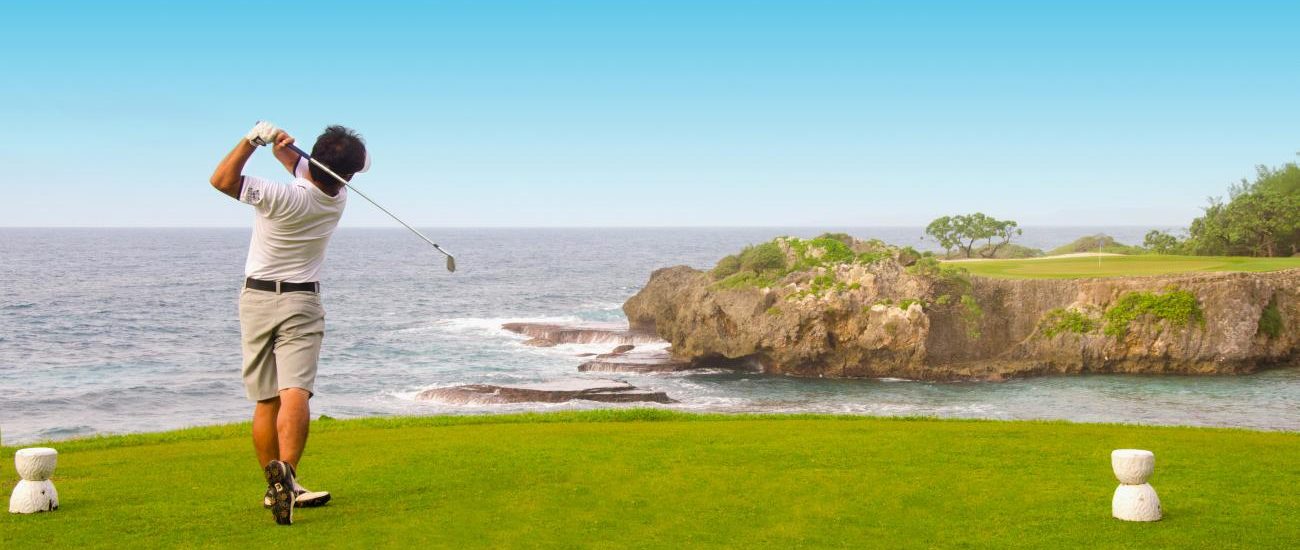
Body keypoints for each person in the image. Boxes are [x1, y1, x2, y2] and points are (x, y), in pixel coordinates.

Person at [209, 121, 367, 525]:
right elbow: (302, 168)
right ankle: (288, 477)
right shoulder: (338, 197)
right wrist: (282, 147)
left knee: (267, 399)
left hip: (257, 298)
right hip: (301, 299)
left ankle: (274, 486)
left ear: (314, 161)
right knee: (295, 390)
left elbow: (222, 180)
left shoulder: (280, 195)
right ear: (345, 175)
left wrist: (251, 141)